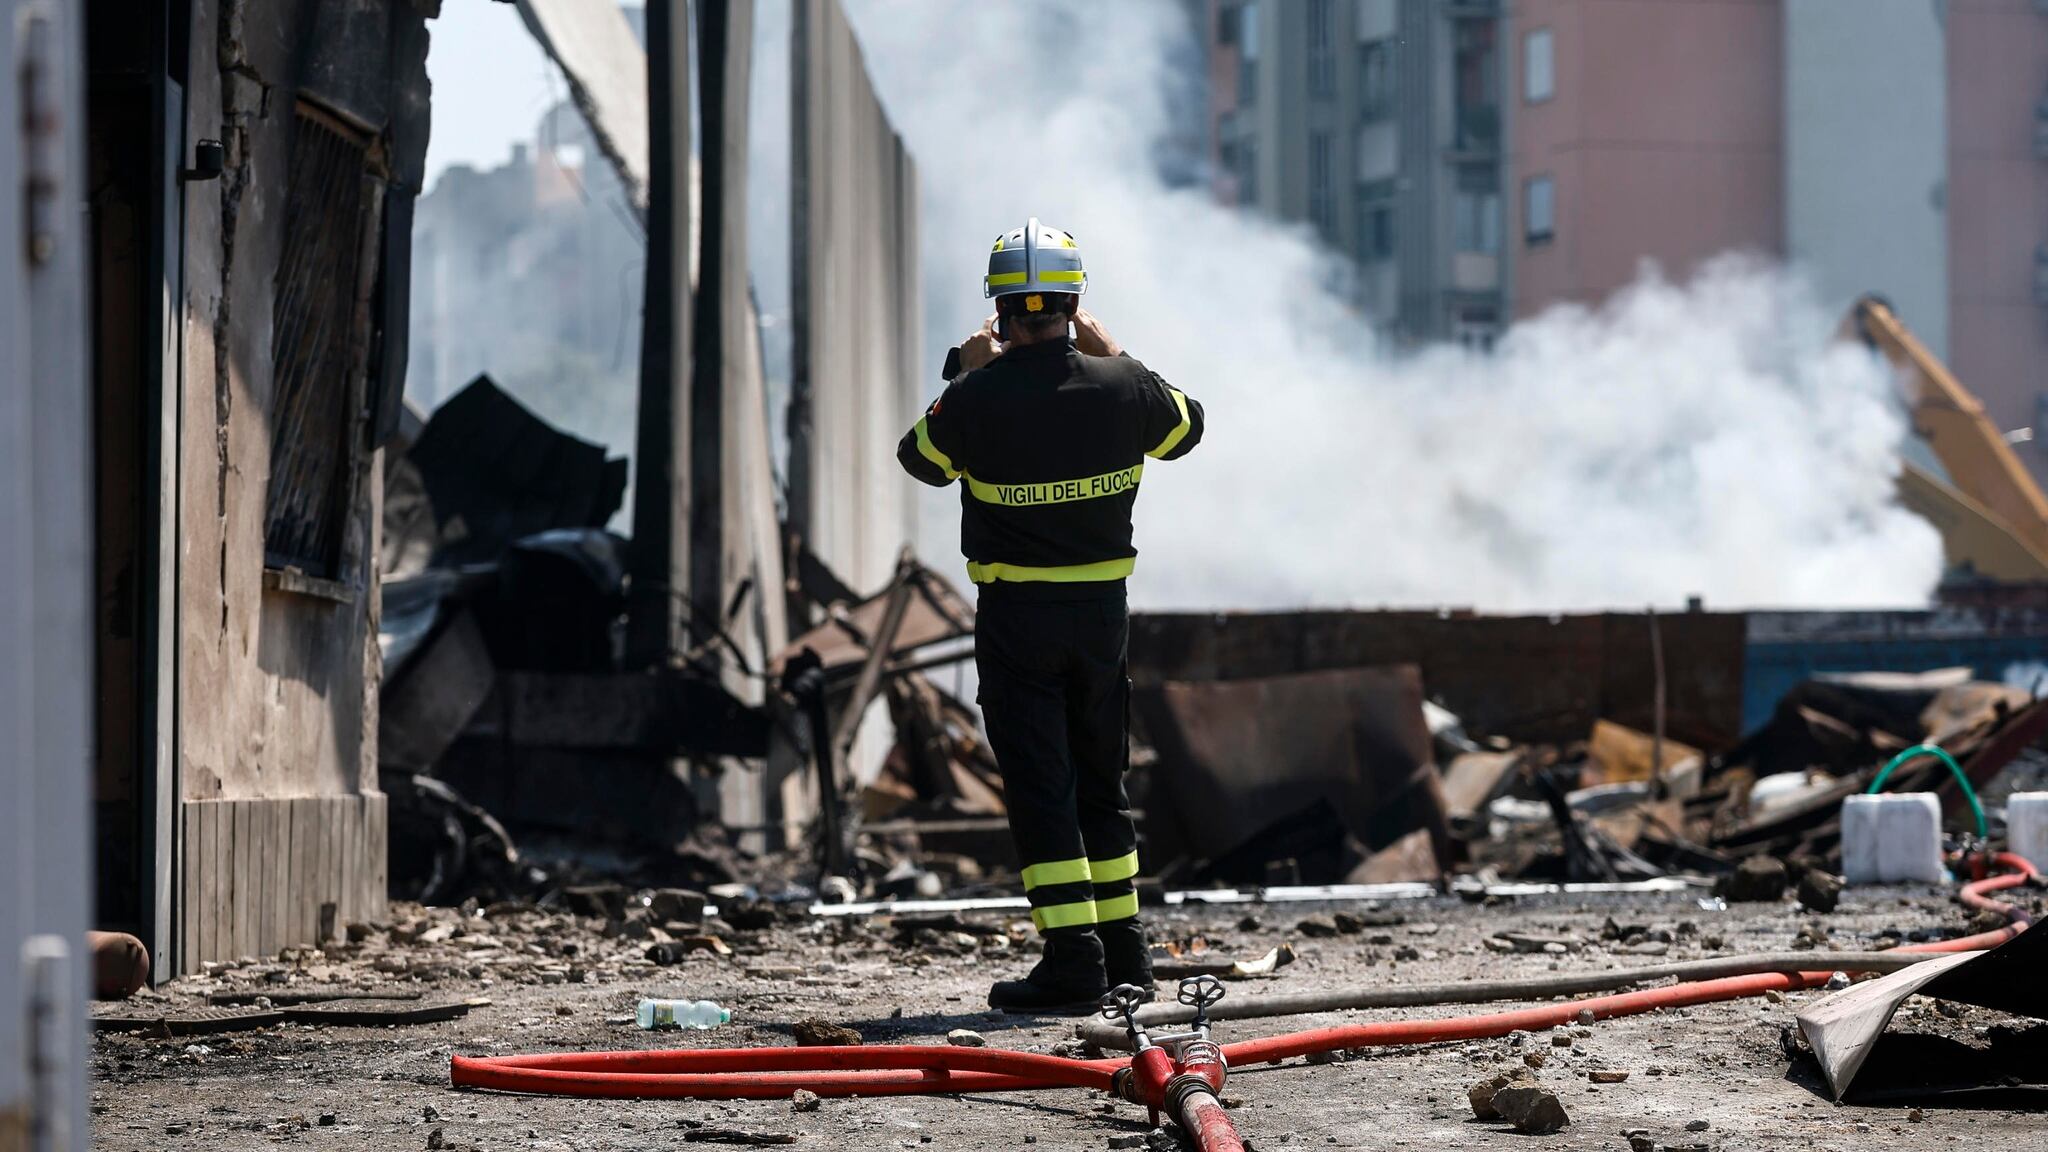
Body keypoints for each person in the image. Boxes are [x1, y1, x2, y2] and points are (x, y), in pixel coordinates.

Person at [896, 218, 1205, 1014]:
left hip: (1017, 619)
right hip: (1102, 619)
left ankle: (1073, 962)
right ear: (1076, 305)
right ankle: (1127, 957)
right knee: (1102, 781)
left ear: (998, 313)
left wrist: (960, 374)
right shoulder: (1123, 387)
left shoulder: (976, 398)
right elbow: (1186, 428)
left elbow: (920, 461)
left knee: (1043, 788)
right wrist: (1115, 354)